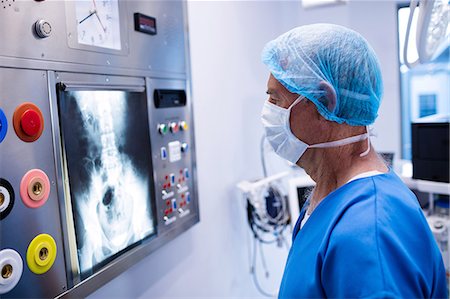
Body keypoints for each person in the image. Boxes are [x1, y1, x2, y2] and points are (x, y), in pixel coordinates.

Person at [260, 23, 447, 298]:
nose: (268, 112)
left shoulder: (370, 232)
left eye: (276, 100)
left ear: (326, 101)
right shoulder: (333, 194)